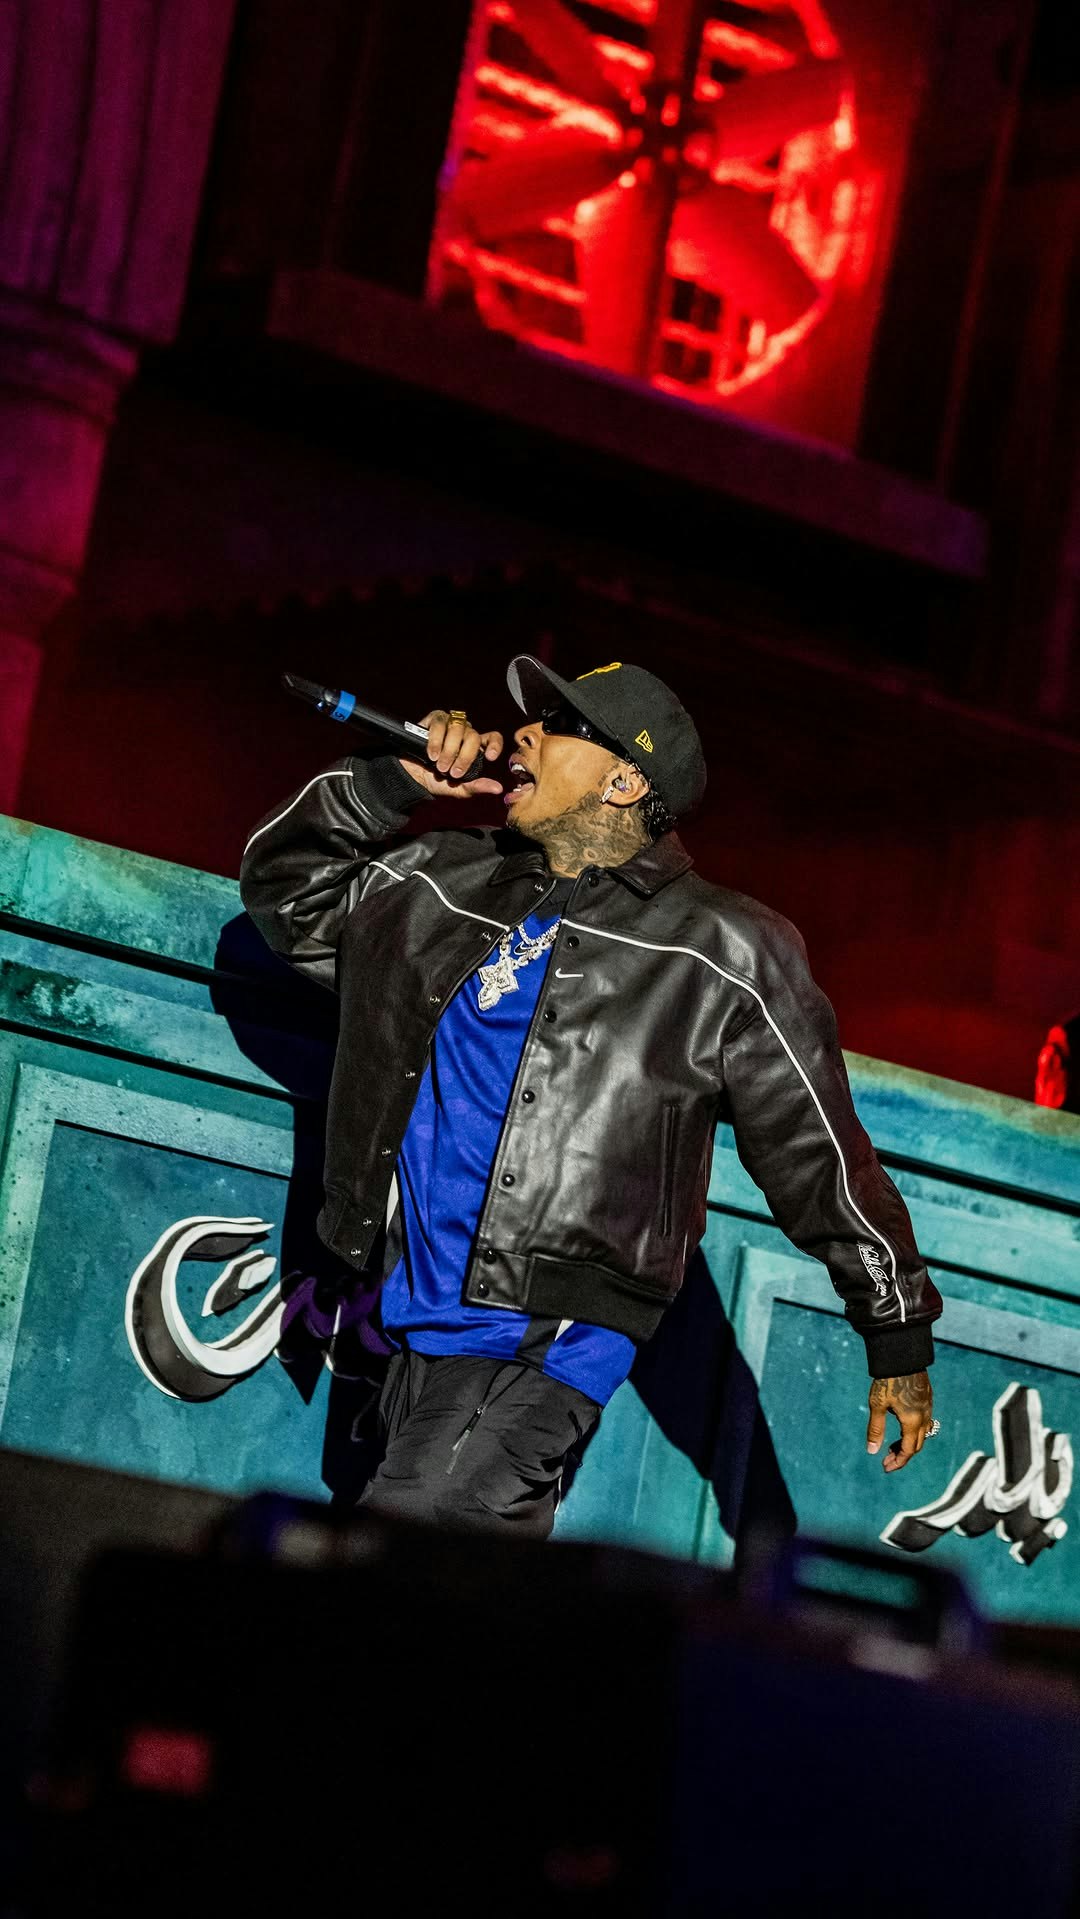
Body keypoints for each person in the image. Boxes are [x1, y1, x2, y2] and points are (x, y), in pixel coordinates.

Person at [240, 656, 941, 1539]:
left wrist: (896, 1330)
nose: (522, 732)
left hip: (548, 1330)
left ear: (624, 779)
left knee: (407, 1545)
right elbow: (285, 891)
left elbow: (820, 1156)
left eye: (559, 724)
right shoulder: (441, 881)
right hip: (404, 1320)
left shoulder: (723, 947)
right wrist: (390, 783)